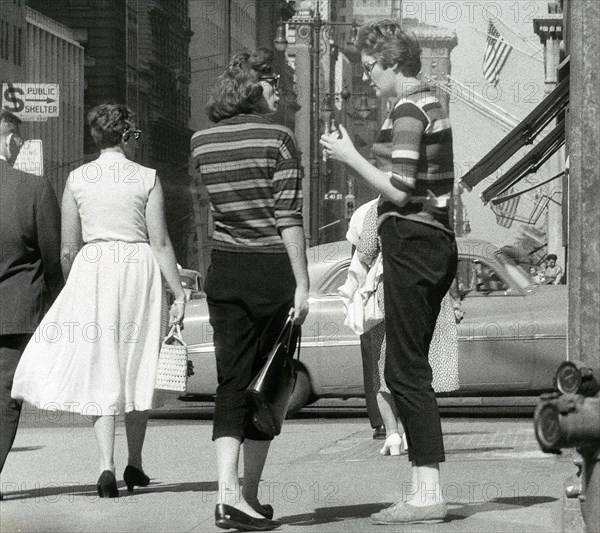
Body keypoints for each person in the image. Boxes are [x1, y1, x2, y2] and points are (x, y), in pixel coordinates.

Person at [11, 104, 185, 498]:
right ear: (126, 136)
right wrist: (177, 289)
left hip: (95, 268)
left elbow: (68, 248)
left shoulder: (77, 179)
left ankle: (105, 464)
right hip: (137, 267)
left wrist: (78, 286)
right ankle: (135, 463)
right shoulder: (146, 177)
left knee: (102, 362)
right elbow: (159, 241)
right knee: (137, 361)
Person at [321, 20, 458, 524]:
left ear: (393, 62)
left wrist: (349, 155)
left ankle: (428, 494)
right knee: (406, 366)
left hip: (415, 242)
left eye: (372, 67)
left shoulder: (407, 108)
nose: (368, 76)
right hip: (428, 242)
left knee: (405, 370)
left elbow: (399, 190)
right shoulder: (427, 103)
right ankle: (426, 488)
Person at [191, 49, 309, 531]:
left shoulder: (201, 143)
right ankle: (249, 494)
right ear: (253, 85)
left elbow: (204, 217)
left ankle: (229, 495)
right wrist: (304, 281)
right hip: (270, 273)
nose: (279, 89)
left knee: (232, 383)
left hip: (225, 272)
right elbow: (287, 216)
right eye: (274, 81)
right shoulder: (279, 137)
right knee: (269, 384)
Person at [346, 199, 461, 458]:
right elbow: (449, 253)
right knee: (418, 365)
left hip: (391, 291)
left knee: (383, 370)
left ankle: (392, 435)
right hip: (428, 290)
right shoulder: (433, 205)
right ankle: (414, 435)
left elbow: (364, 251)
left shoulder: (379, 207)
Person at [0, 110, 64, 500]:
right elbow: (53, 257)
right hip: (15, 312)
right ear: (8, 139)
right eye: (18, 141)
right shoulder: (34, 189)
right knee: (5, 398)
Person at [345, 200, 385, 440]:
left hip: (371, 294)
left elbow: (356, 260)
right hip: (391, 292)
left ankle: (381, 422)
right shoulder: (413, 204)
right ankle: (395, 418)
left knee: (373, 357)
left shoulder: (363, 212)